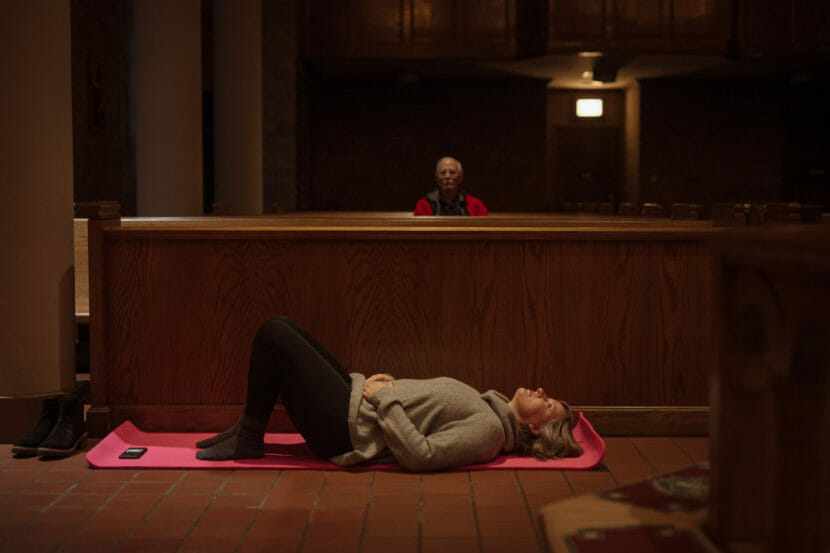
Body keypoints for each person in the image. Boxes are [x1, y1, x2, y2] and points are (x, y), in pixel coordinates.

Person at [196, 317, 582, 471]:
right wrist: (387, 386)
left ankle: (248, 437)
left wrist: (384, 398)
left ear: (534, 429)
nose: (542, 392)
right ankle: (245, 432)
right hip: (354, 403)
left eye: (547, 404)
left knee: (274, 334)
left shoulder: (489, 433)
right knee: (283, 330)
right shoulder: (487, 408)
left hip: (345, 429)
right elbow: (423, 409)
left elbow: (421, 456)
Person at [414, 157, 489, 216]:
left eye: (452, 172)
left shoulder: (476, 205)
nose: (447, 176)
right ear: (437, 178)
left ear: (460, 178)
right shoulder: (423, 205)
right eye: (443, 173)